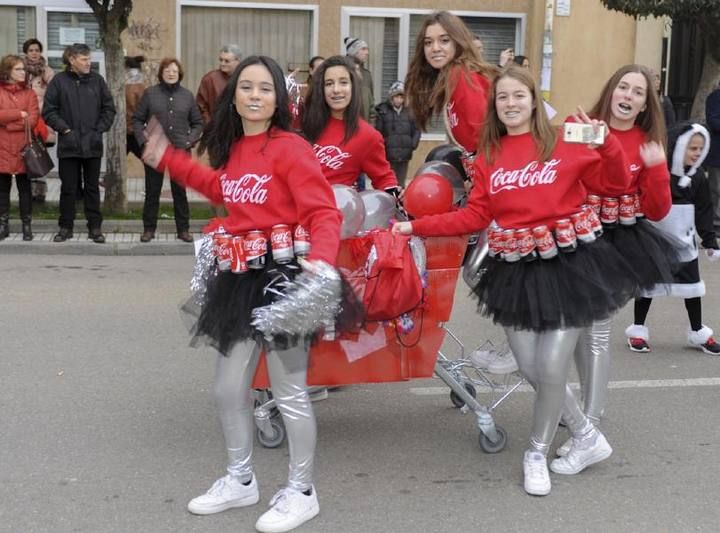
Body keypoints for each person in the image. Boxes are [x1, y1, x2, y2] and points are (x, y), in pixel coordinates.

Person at [393, 64, 635, 496]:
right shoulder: (487, 155)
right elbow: (477, 215)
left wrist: (609, 142)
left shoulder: (566, 139)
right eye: (502, 97)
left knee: (551, 365)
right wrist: (416, 227)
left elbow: (616, 185)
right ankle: (586, 435)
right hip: (515, 268)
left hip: (570, 263)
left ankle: (536, 453)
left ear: (534, 99)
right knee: (527, 366)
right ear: (494, 106)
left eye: (518, 95)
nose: (510, 104)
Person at [141, 55, 353, 533]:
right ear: (233, 95)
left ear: (278, 99)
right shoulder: (236, 149)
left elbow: (324, 213)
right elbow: (222, 188)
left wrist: (318, 265)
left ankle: (302, 491)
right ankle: (241, 480)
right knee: (227, 388)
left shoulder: (292, 148)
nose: (255, 95)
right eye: (247, 87)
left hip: (286, 280)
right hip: (239, 279)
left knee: (290, 392)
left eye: (265, 88)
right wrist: (170, 159)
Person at [554, 64, 675, 459]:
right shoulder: (582, 126)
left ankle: (591, 415)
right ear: (611, 91)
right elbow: (556, 174)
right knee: (572, 325)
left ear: (644, 104)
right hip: (575, 235)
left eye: (638, 92)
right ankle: (577, 407)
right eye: (623, 87)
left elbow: (656, 210)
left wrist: (657, 168)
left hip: (618, 243)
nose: (628, 95)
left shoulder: (647, 141)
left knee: (598, 331)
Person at [628, 122, 720, 355]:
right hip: (654, 241)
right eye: (692, 148)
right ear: (678, 148)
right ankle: (638, 330)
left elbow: (704, 210)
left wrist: (709, 240)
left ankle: (698, 332)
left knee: (692, 289)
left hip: (684, 242)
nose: (697, 153)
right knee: (648, 288)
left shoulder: (698, 177)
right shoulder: (659, 171)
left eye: (701, 149)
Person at [405, 11, 496, 182]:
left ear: (458, 42)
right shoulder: (451, 77)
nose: (435, 48)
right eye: (428, 42)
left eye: (444, 40)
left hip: (494, 178)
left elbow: (485, 137)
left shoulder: (461, 74)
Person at [42, 43, 115, 244]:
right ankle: (66, 227)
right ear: (72, 60)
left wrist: (98, 130)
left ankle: (95, 227)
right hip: (69, 146)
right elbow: (49, 110)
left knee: (92, 188)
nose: (88, 63)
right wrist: (65, 129)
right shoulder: (59, 81)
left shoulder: (97, 81)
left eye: (89, 59)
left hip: (92, 145)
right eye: (84, 59)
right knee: (69, 188)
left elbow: (109, 109)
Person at [301, 55, 399, 195]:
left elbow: (383, 178)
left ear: (353, 86)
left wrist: (397, 199)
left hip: (332, 213)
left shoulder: (367, 136)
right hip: (292, 210)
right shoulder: (304, 121)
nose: (336, 89)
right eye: (329, 83)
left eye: (343, 82)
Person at [133, 57, 202, 243]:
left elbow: (197, 122)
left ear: (179, 73)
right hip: (155, 149)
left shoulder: (187, 95)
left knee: (179, 192)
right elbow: (138, 120)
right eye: (167, 70)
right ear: (161, 74)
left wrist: (189, 140)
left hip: (180, 149)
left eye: (174, 70)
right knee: (152, 191)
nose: (171, 73)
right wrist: (143, 140)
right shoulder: (150, 94)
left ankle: (183, 230)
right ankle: (148, 229)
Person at [0, 54, 39, 241]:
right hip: (2, 147)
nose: (23, 72)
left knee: (25, 189)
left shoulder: (29, 93)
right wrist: (18, 114)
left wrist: (8, 124)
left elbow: (32, 120)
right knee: (2, 189)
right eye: (19, 69)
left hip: (24, 147)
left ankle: (26, 226)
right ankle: (3, 225)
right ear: (8, 71)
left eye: (24, 69)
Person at [22, 38, 55, 204]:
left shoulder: (47, 71)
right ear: (26, 53)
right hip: (23, 120)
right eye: (31, 50)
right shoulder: (20, 71)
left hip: (41, 120)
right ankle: (26, 191)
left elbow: (55, 94)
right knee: (24, 155)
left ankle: (39, 193)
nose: (34, 53)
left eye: (36, 50)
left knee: (40, 154)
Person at [374, 81, 421, 187]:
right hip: (389, 153)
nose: (399, 100)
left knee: (401, 182)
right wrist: (383, 146)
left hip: (405, 153)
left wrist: (412, 144)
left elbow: (417, 129)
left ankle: (399, 201)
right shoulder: (383, 112)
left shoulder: (409, 112)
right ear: (391, 97)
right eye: (396, 97)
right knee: (389, 182)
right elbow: (378, 132)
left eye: (401, 97)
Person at [196, 44, 242, 124]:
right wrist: (210, 126)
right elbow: (201, 106)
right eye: (221, 60)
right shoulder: (209, 79)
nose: (222, 64)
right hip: (216, 129)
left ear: (237, 61)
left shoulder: (245, 78)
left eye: (227, 61)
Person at [344, 36, 375, 122]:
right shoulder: (342, 70)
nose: (367, 52)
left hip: (365, 126)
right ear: (353, 51)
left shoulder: (367, 75)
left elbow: (371, 103)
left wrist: (372, 125)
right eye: (363, 49)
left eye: (367, 49)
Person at [705, 79, 720, 231]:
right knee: (716, 190)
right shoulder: (715, 97)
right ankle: (715, 224)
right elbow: (713, 121)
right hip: (717, 153)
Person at [124, 55, 146, 160]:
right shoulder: (142, 87)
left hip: (126, 132)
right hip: (137, 131)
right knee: (150, 164)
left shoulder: (122, 87)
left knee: (117, 164)